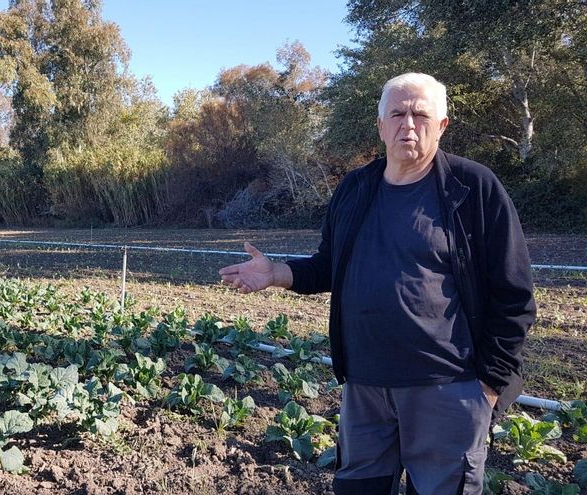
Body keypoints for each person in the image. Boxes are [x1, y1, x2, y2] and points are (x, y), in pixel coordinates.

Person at [219, 72, 535, 495]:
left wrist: (489, 387)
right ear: (381, 125)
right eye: (398, 113)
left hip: (447, 388)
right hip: (365, 388)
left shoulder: (474, 188)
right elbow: (333, 265)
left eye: (421, 115)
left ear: (441, 125)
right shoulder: (355, 188)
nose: (408, 125)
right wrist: (278, 273)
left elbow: (514, 296)